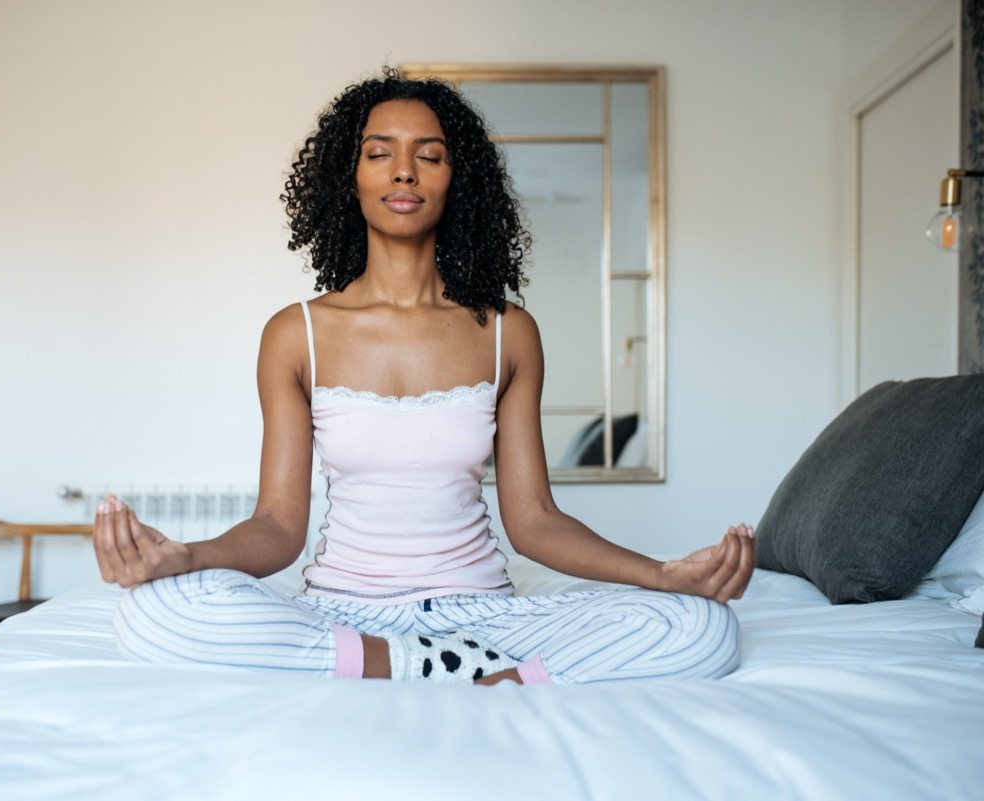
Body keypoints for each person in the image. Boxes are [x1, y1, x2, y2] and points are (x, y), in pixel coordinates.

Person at [92, 68, 755, 686]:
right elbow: (276, 526)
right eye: (379, 151)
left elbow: (536, 522)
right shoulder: (295, 334)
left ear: (454, 179)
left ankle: (422, 664)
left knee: (704, 626)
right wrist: (185, 556)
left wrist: (661, 574)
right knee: (152, 611)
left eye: (429, 154)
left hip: (480, 610)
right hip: (344, 612)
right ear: (348, 176)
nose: (404, 169)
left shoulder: (507, 332)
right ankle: (469, 673)